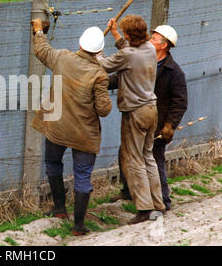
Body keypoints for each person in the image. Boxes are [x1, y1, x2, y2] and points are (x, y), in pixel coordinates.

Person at [30, 18, 112, 235]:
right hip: (84, 133)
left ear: (80, 44)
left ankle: (59, 208)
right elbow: (104, 110)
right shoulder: (99, 75)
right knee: (82, 175)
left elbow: (42, 50)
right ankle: (78, 225)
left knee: (53, 162)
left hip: (57, 126)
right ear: (100, 51)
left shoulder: (63, 58)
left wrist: (39, 30)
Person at [110, 25, 188, 212]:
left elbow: (180, 102)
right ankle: (129, 191)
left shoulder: (174, 72)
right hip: (140, 116)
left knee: (154, 159)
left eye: (154, 38)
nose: (149, 40)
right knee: (126, 153)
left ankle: (163, 200)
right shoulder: (146, 58)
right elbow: (128, 56)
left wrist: (170, 125)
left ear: (164, 45)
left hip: (157, 124)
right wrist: (116, 34)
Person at [97, 15, 166, 224]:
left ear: (129, 35)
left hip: (134, 112)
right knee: (148, 157)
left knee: (133, 160)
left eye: (124, 34)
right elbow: (127, 50)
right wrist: (117, 33)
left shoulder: (127, 54)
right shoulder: (150, 49)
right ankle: (158, 204)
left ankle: (144, 209)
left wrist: (96, 49)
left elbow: (104, 64)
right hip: (151, 109)